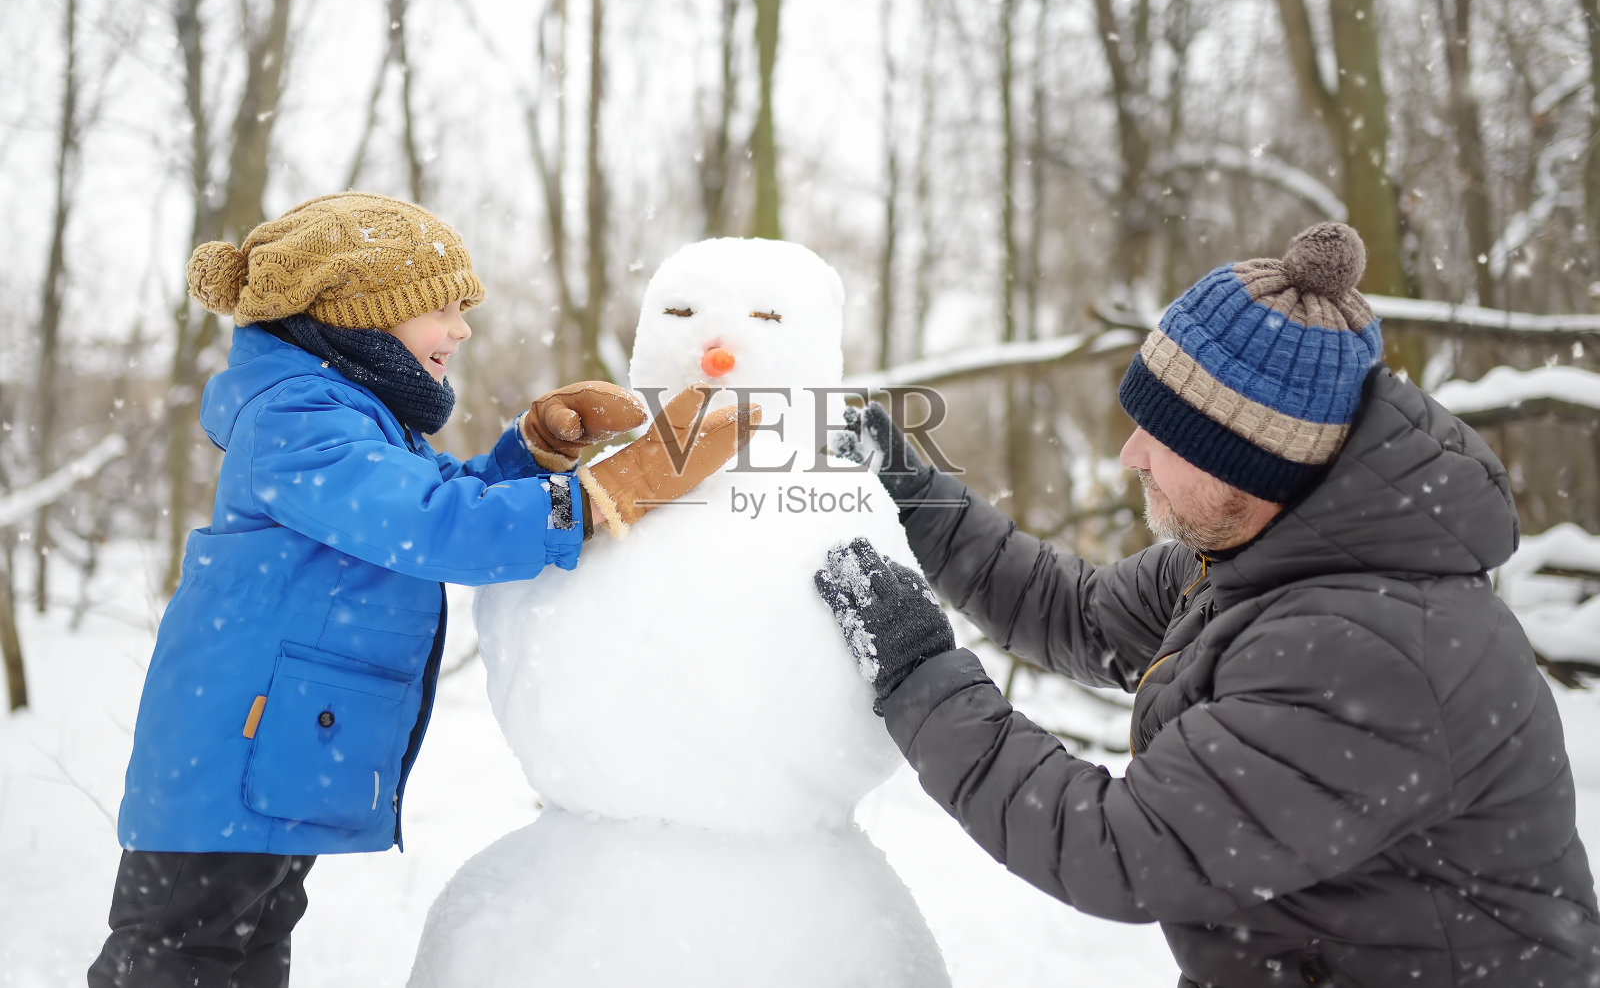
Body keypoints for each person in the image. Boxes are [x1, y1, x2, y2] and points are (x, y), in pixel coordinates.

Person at [815, 222, 1600, 987]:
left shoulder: (1372, 649)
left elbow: (1122, 847)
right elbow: (1078, 611)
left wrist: (920, 670)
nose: (1130, 457)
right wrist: (915, 493)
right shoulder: (1255, 554)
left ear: (1248, 460)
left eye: (1164, 437)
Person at [89, 192, 755, 987]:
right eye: (440, 308)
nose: (461, 329)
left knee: (236, 961)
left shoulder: (347, 415)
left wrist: (531, 455)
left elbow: (434, 493)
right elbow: (433, 523)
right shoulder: (297, 417)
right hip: (227, 767)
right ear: (365, 313)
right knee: (174, 964)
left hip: (267, 758)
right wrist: (602, 494)